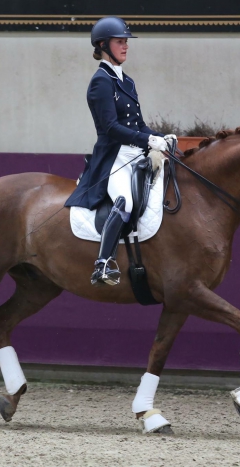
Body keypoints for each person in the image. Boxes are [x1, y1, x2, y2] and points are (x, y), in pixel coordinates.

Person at [64, 16, 175, 287]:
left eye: (126, 42)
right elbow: (111, 128)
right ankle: (103, 263)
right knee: (123, 200)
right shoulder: (101, 82)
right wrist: (148, 140)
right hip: (113, 157)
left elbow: (138, 124)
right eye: (119, 42)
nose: (125, 47)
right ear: (103, 45)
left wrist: (160, 137)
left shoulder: (128, 81)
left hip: (135, 153)